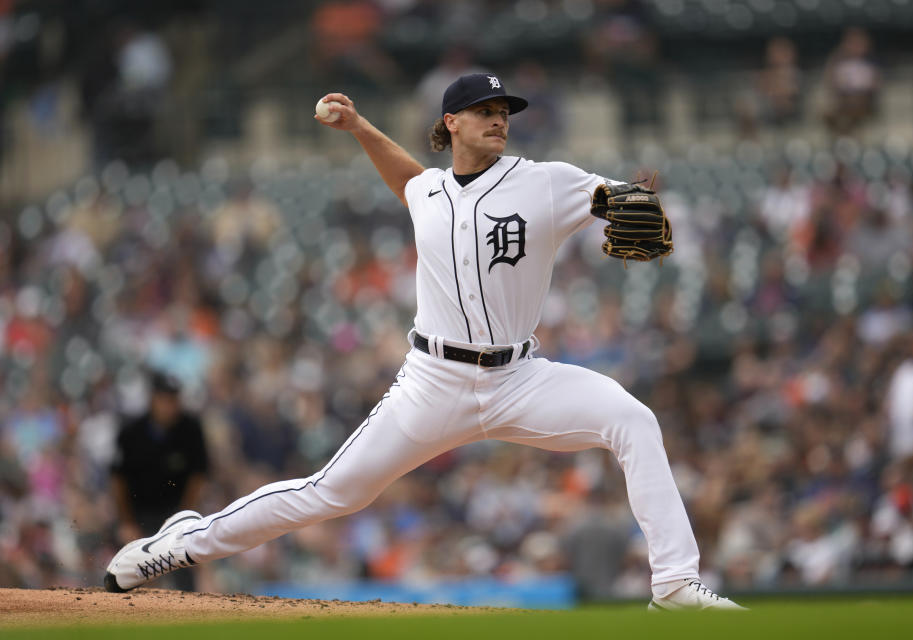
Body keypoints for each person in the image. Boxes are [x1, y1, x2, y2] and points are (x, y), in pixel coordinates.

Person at [104, 73, 743, 610]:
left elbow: (614, 199)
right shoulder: (429, 191)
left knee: (633, 419)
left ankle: (675, 583)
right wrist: (359, 128)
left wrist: (637, 204)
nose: (499, 120)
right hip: (432, 384)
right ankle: (181, 543)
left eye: (505, 112)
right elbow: (409, 180)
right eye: (484, 111)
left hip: (521, 379)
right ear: (451, 123)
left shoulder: (545, 181)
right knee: (333, 492)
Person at [109, 370, 209, 590]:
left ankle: (187, 617)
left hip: (175, 510)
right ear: (153, 399)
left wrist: (184, 517)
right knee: (135, 573)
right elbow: (118, 479)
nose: (170, 405)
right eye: (165, 399)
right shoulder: (131, 432)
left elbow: (198, 477)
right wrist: (127, 522)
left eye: (174, 399)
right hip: (139, 512)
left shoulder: (190, 429)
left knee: (184, 574)